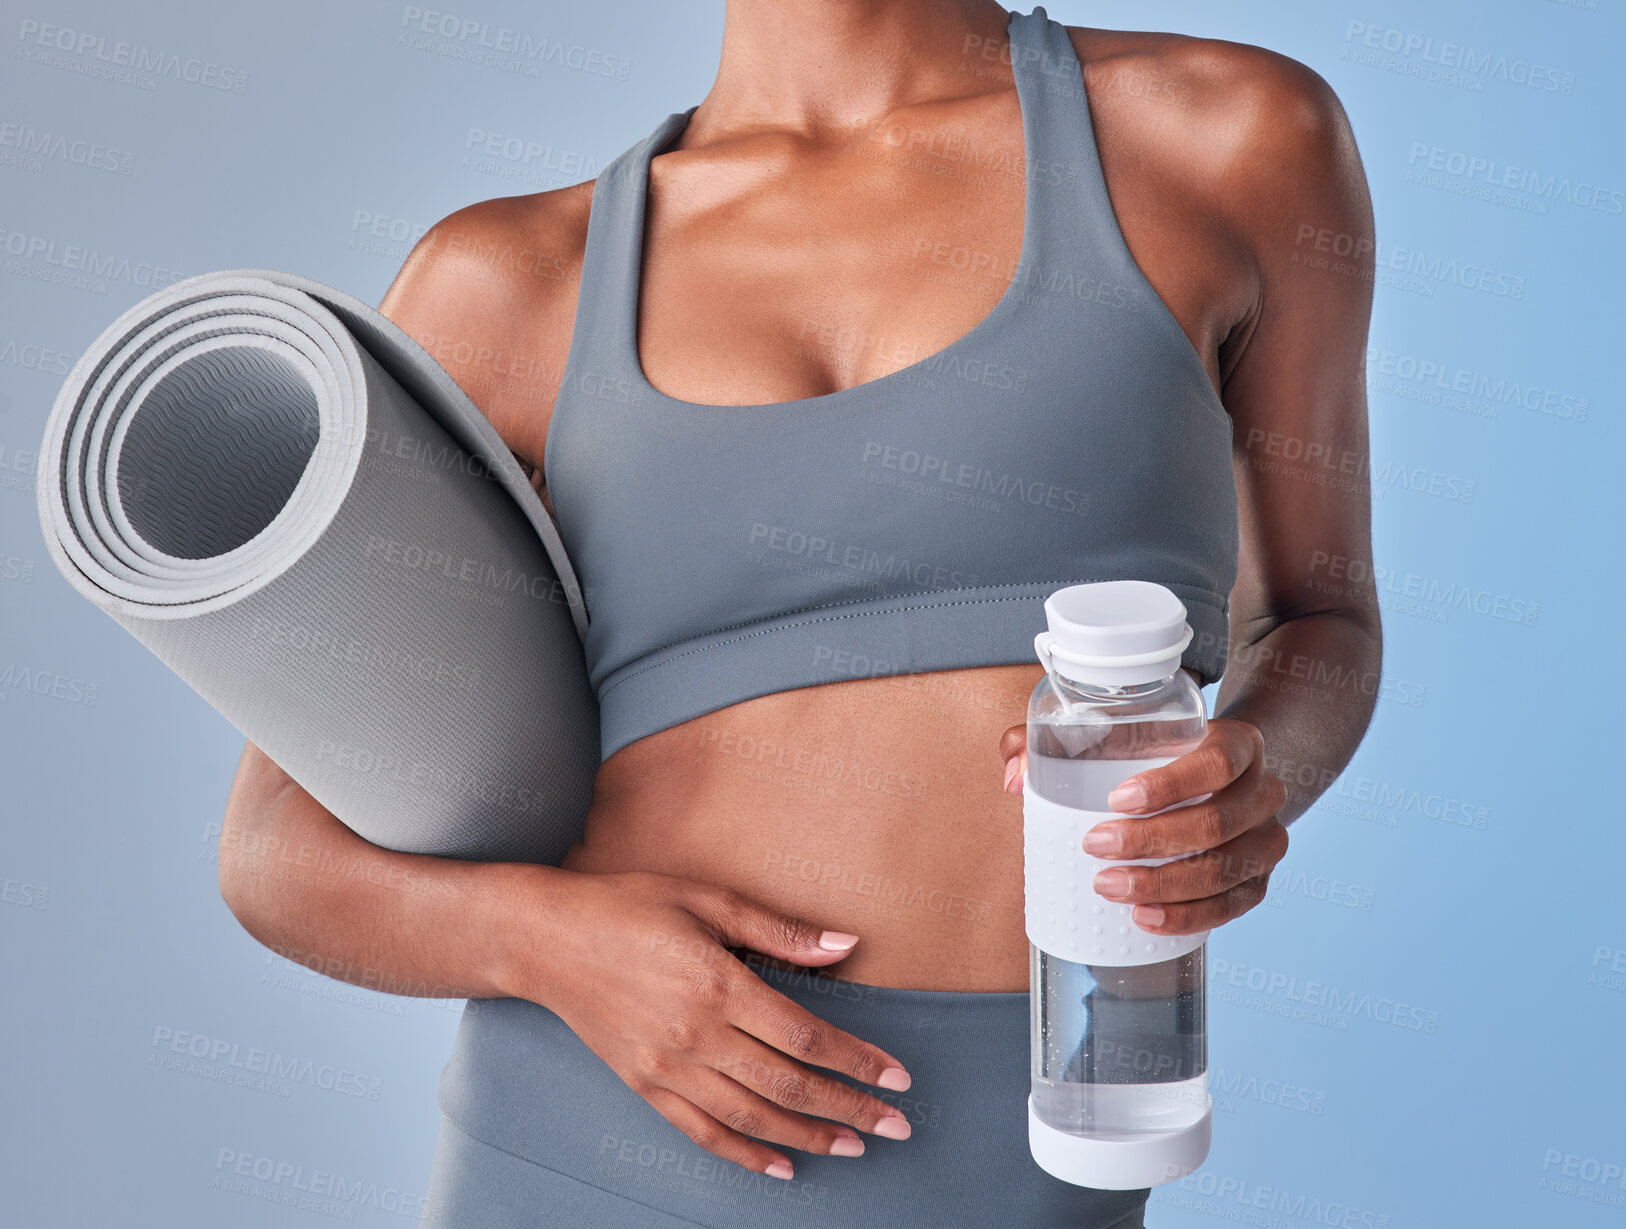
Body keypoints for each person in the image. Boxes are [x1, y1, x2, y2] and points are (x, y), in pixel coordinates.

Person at [217, 3, 1380, 1224]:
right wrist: (548, 946)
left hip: (1047, 1127)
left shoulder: (1229, 136)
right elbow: (273, 850)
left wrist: (1257, 774)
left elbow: (1321, 623)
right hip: (596, 1126)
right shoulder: (510, 281)